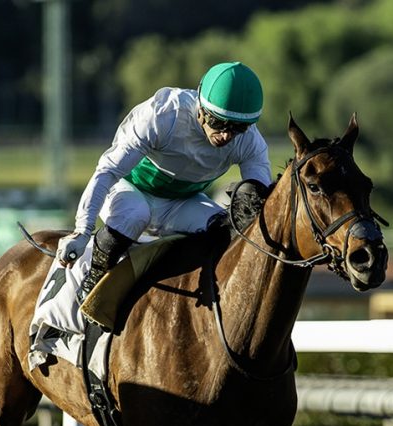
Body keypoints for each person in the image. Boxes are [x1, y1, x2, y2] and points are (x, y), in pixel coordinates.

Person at [57, 61, 273, 300]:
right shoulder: (163, 115)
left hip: (181, 203)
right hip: (129, 188)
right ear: (200, 106)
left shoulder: (250, 141)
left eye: (238, 127)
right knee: (133, 215)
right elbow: (107, 171)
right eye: (218, 122)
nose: (226, 135)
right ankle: (93, 281)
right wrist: (82, 231)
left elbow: (260, 197)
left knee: (225, 232)